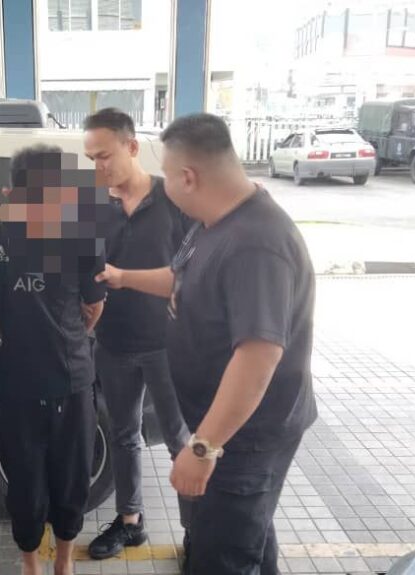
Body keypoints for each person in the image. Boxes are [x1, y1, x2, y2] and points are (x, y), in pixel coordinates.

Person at [96, 114, 317, 575]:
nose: (162, 185)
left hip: (244, 441)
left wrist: (203, 448)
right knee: (250, 537)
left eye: (166, 175)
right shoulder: (213, 223)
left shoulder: (256, 243)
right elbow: (182, 280)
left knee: (223, 557)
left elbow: (258, 357)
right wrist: (123, 277)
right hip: (226, 434)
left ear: (188, 177)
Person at [0, 145, 106, 575]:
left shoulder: (81, 239)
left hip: (73, 382)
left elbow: (94, 305)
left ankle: (63, 562)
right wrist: (31, 337)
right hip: (17, 387)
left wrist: (65, 339)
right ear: (12, 193)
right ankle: (30, 564)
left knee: (72, 481)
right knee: (24, 485)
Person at [81, 108, 193, 560]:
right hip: (113, 344)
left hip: (168, 345)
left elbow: (198, 269)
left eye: (104, 155)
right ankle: (130, 522)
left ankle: (195, 530)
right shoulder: (92, 209)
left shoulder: (174, 199)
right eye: (91, 158)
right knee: (124, 435)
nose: (98, 166)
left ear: (131, 146)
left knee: (181, 442)